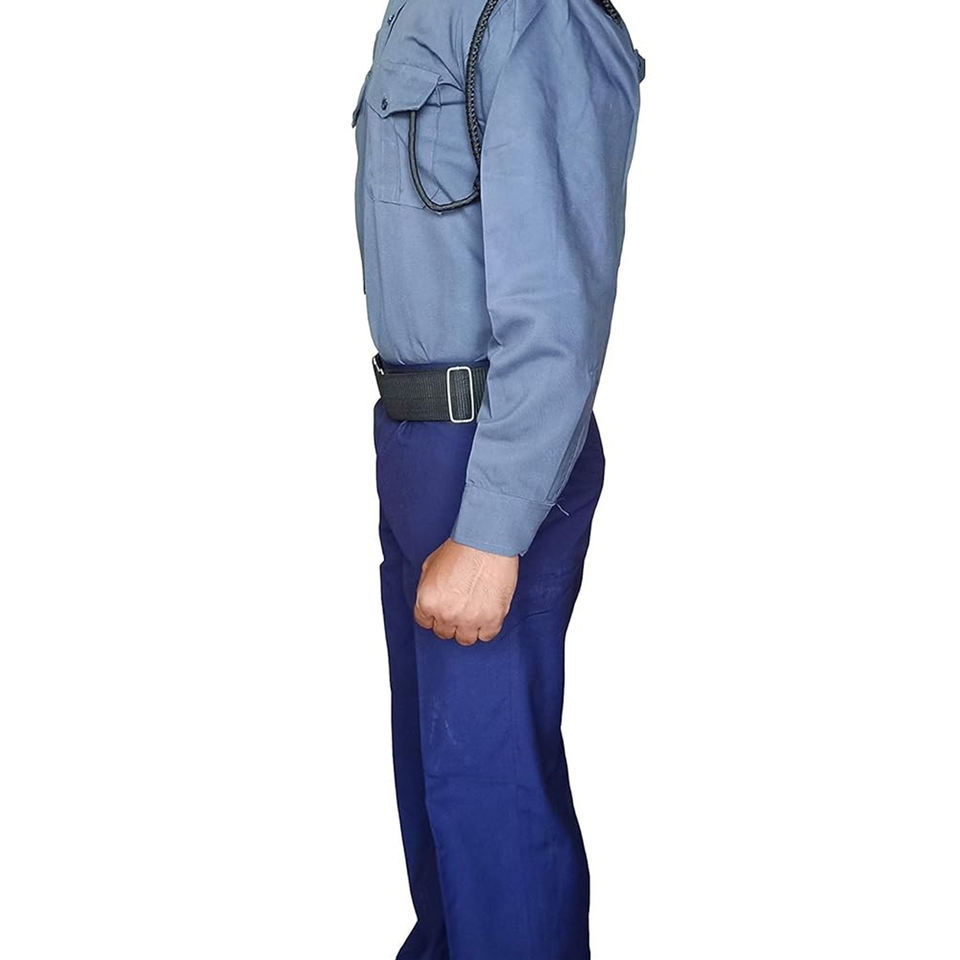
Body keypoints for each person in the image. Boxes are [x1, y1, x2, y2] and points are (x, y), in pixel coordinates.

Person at [352, 0, 642, 956]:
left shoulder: (535, 18)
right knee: (439, 797)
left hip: (490, 449)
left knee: (489, 801)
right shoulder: (425, 9)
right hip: (418, 442)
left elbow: (559, 310)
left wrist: (491, 529)